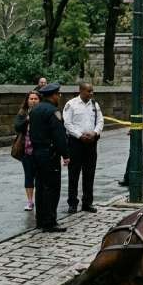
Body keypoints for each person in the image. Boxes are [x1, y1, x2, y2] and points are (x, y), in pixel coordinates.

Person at [28, 83, 69, 232]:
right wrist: (65, 154)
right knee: (52, 188)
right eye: (58, 94)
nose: (59, 97)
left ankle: (40, 220)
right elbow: (59, 136)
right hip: (49, 153)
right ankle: (50, 221)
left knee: (40, 187)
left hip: (37, 152)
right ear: (52, 95)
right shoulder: (53, 111)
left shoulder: (35, 110)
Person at [63, 82, 103, 214]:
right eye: (88, 91)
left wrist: (95, 132)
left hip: (91, 143)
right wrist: (80, 136)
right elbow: (67, 123)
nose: (91, 93)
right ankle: (72, 203)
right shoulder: (71, 104)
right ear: (81, 90)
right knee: (74, 174)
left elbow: (100, 121)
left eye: (92, 91)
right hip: (76, 143)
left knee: (89, 173)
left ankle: (87, 202)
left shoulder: (94, 104)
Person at [14, 91, 40, 211]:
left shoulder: (43, 112)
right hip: (26, 150)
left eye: (35, 99)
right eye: (31, 99)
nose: (33, 101)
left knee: (40, 176)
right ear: (27, 100)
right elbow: (17, 127)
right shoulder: (22, 113)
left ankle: (40, 199)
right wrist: (27, 120)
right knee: (29, 176)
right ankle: (30, 201)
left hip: (40, 150)